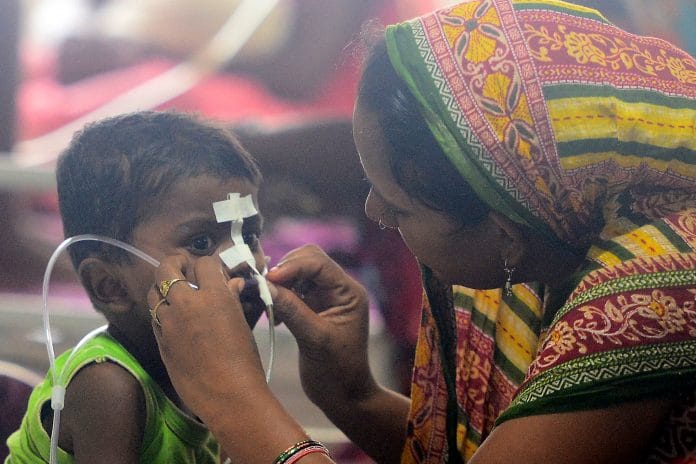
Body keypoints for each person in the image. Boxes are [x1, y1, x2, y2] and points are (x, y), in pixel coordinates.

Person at [145, 0, 696, 462]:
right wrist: (354, 396)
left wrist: (232, 396)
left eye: (400, 207)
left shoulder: (656, 291)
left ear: (505, 232)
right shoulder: (557, 220)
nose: (374, 213)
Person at [4, 110, 269, 462]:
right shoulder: (109, 386)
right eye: (202, 243)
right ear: (109, 285)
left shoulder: (199, 375)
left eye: (249, 235)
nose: (244, 261)